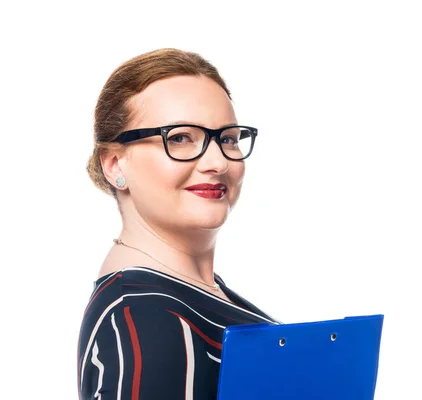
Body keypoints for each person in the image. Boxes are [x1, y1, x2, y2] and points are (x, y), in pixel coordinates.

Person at [77, 48, 278, 400]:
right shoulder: (146, 317)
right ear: (114, 164)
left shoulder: (191, 298)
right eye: (180, 138)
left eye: (227, 138)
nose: (216, 161)